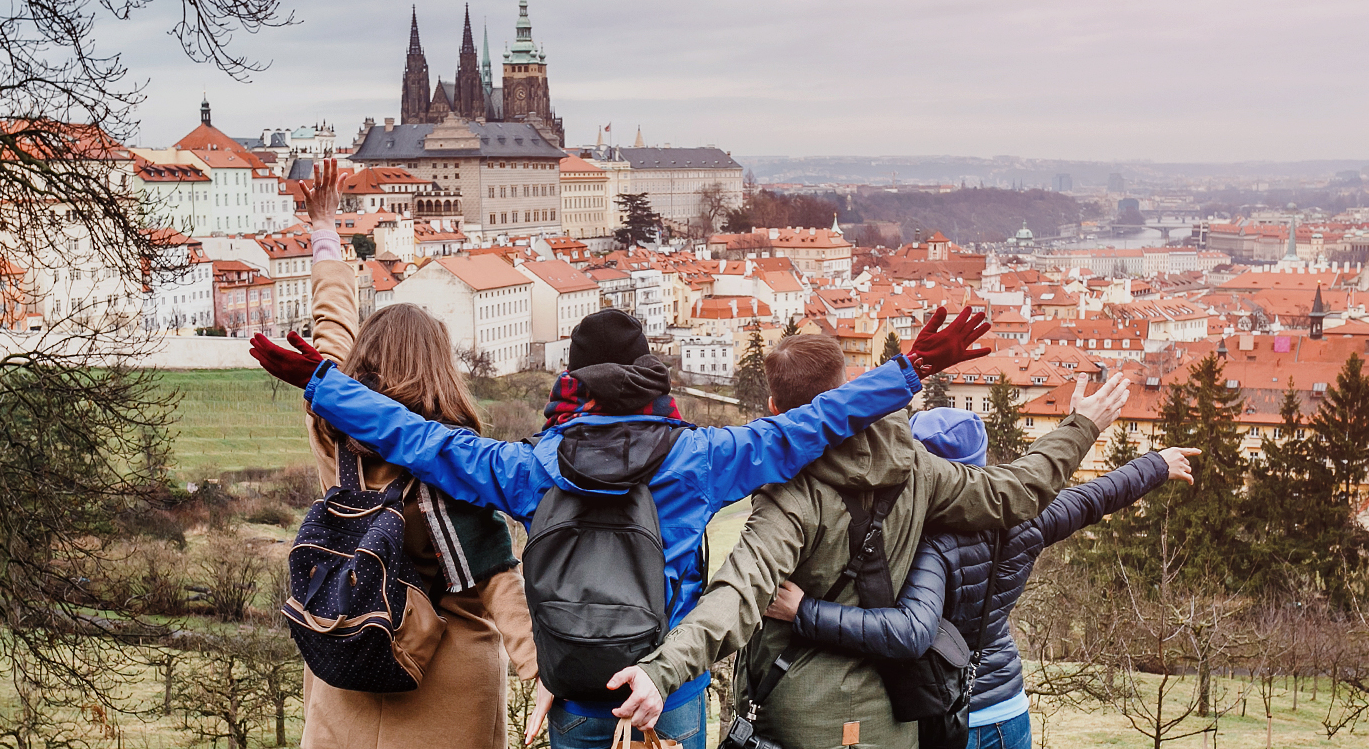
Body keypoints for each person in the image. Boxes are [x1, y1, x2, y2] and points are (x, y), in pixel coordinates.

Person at [250, 299, 996, 748]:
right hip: (667, 683)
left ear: (573, 386)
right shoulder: (702, 459)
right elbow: (811, 423)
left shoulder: (530, 470)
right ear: (649, 379)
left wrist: (324, 385)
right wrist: (907, 369)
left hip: (578, 684)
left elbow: (417, 438)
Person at [608, 334, 1131, 749]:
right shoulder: (916, 468)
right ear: (847, 389)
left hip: (798, 720)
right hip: (891, 721)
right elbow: (1014, 492)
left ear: (774, 405)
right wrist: (1082, 426)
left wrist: (662, 671)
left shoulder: (792, 494)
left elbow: (738, 594)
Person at [288, 159, 538, 749]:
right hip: (450, 684)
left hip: (348, 650)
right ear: (440, 366)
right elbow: (498, 576)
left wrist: (326, 231)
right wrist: (546, 672)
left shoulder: (334, 427)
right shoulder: (457, 458)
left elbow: (332, 327)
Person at [769, 408, 1198, 749]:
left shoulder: (926, 543)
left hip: (955, 716)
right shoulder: (1024, 520)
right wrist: (1156, 465)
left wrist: (804, 612)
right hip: (1010, 707)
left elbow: (911, 631)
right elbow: (1093, 497)